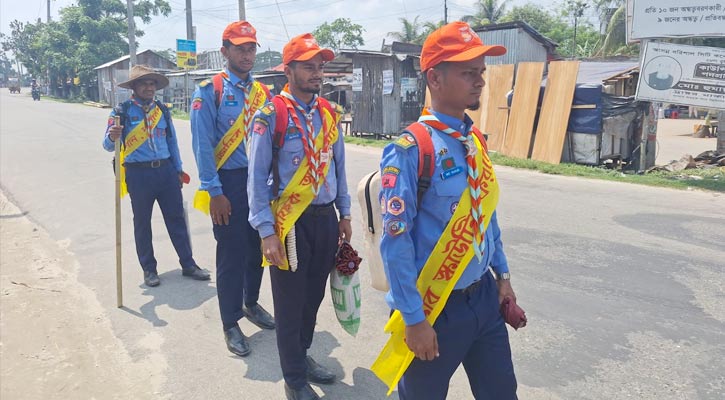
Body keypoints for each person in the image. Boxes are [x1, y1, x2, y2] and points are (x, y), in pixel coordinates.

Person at [376, 22, 519, 399]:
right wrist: (414, 319)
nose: (480, 81)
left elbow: (486, 216)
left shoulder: (474, 142)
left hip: (485, 300)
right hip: (435, 308)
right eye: (468, 73)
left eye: (481, 73)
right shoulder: (410, 150)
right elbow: (396, 244)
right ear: (435, 79)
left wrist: (502, 275)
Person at [247, 33, 352, 400]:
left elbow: (338, 166)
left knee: (313, 298)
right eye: (308, 65)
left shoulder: (329, 114)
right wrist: (266, 231)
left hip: (325, 219)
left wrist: (345, 212)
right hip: (289, 223)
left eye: (320, 65)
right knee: (289, 305)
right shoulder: (270, 116)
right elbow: (256, 179)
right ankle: (293, 380)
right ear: (288, 69)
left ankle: (303, 356)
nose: (317, 72)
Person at [190, 21, 275, 358]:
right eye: (240, 48)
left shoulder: (262, 93)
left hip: (260, 185)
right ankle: (230, 322)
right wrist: (214, 191)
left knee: (257, 250)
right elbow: (202, 146)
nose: (247, 53)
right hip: (228, 184)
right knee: (231, 255)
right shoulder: (209, 91)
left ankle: (251, 303)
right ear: (224, 51)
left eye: (251, 47)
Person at [103, 65, 210, 287]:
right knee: (142, 223)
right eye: (144, 83)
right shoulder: (120, 112)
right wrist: (112, 135)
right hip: (138, 174)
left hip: (166, 171)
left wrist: (178, 170)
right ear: (134, 87)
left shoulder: (162, 110)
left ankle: (188, 264)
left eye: (152, 83)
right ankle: (149, 269)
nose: (149, 87)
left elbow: (172, 142)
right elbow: (107, 145)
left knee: (176, 219)